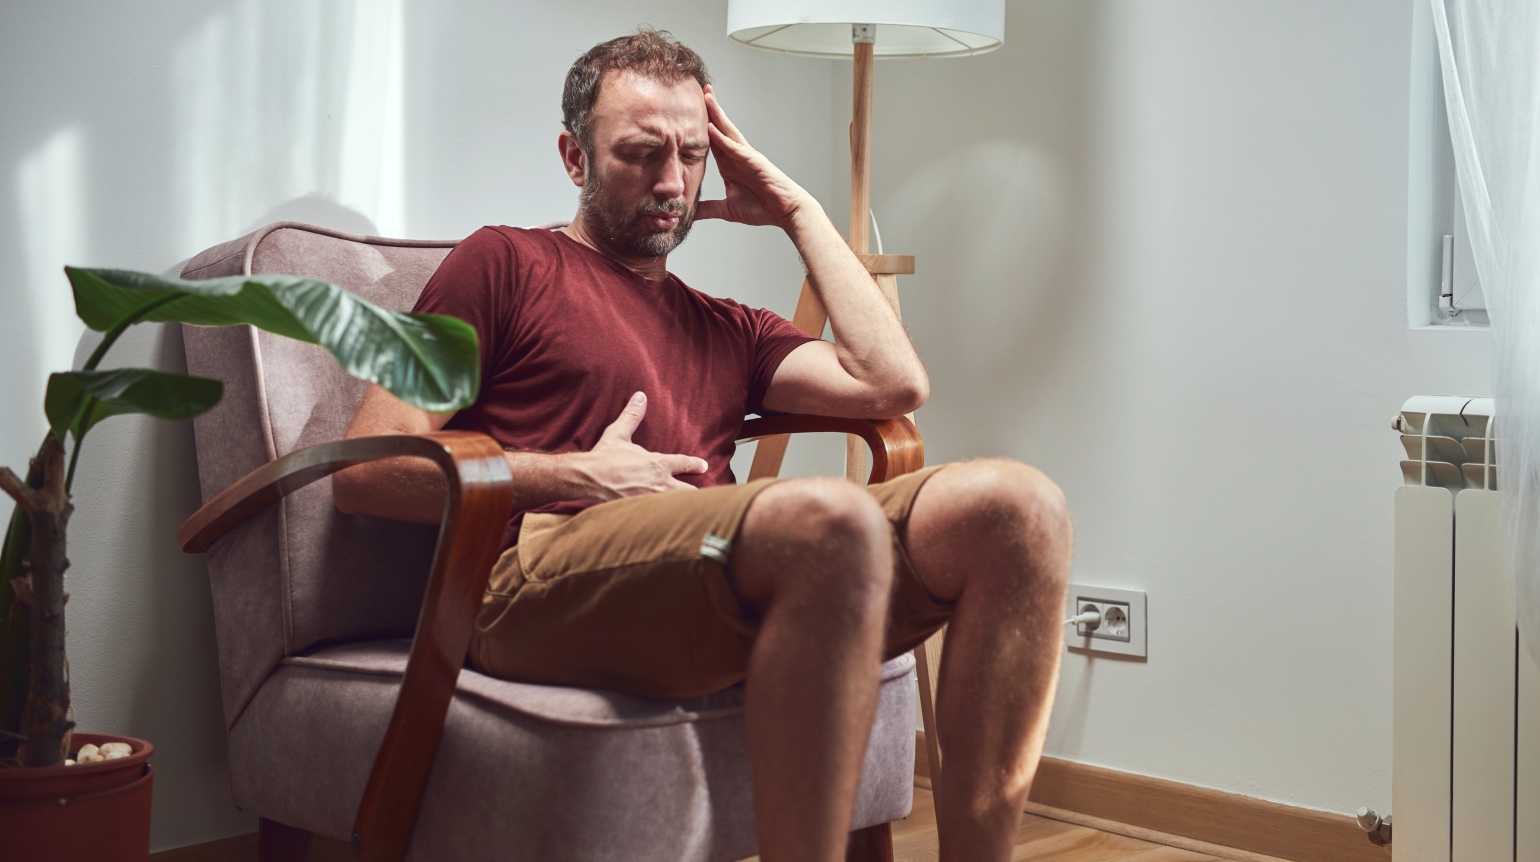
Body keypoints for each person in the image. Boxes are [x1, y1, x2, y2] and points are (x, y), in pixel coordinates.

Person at [333, 28, 1072, 862]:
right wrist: (572, 473)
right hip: (534, 572)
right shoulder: (502, 263)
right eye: (642, 154)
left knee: (1019, 508)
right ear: (574, 158)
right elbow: (370, 468)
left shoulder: (728, 327)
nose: (672, 183)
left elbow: (893, 382)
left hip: (718, 555)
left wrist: (798, 211)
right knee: (829, 519)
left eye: (692, 154)